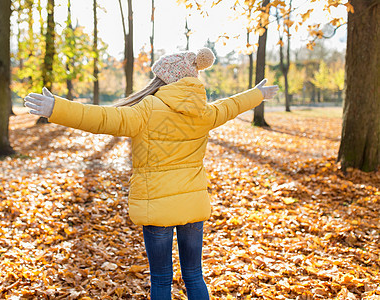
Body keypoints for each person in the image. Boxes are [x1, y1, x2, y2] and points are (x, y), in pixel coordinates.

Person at [24, 48, 278, 299]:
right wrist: (258, 94)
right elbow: (232, 105)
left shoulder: (147, 109)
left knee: (160, 279)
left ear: (164, 78)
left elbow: (101, 118)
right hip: (192, 204)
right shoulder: (205, 112)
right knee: (193, 275)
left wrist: (56, 108)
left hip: (156, 207)